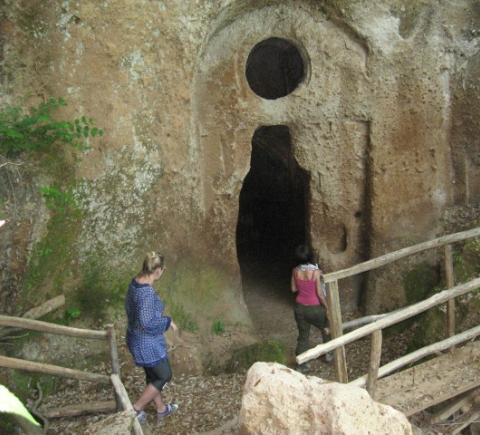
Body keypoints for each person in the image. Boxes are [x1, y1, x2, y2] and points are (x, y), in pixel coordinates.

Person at [125, 251, 178, 424]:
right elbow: (146, 322)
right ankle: (135, 409)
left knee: (152, 374)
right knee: (164, 375)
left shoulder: (135, 282)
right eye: (163, 269)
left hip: (134, 337)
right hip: (145, 342)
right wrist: (167, 322)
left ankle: (161, 409)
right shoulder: (147, 293)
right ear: (158, 271)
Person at [291, 244, 331, 370]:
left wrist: (302, 286)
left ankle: (302, 364)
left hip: (300, 308)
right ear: (310, 256)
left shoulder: (295, 271)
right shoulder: (316, 272)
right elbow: (320, 293)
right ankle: (328, 354)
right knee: (327, 327)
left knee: (303, 336)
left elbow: (293, 289)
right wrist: (327, 307)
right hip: (315, 308)